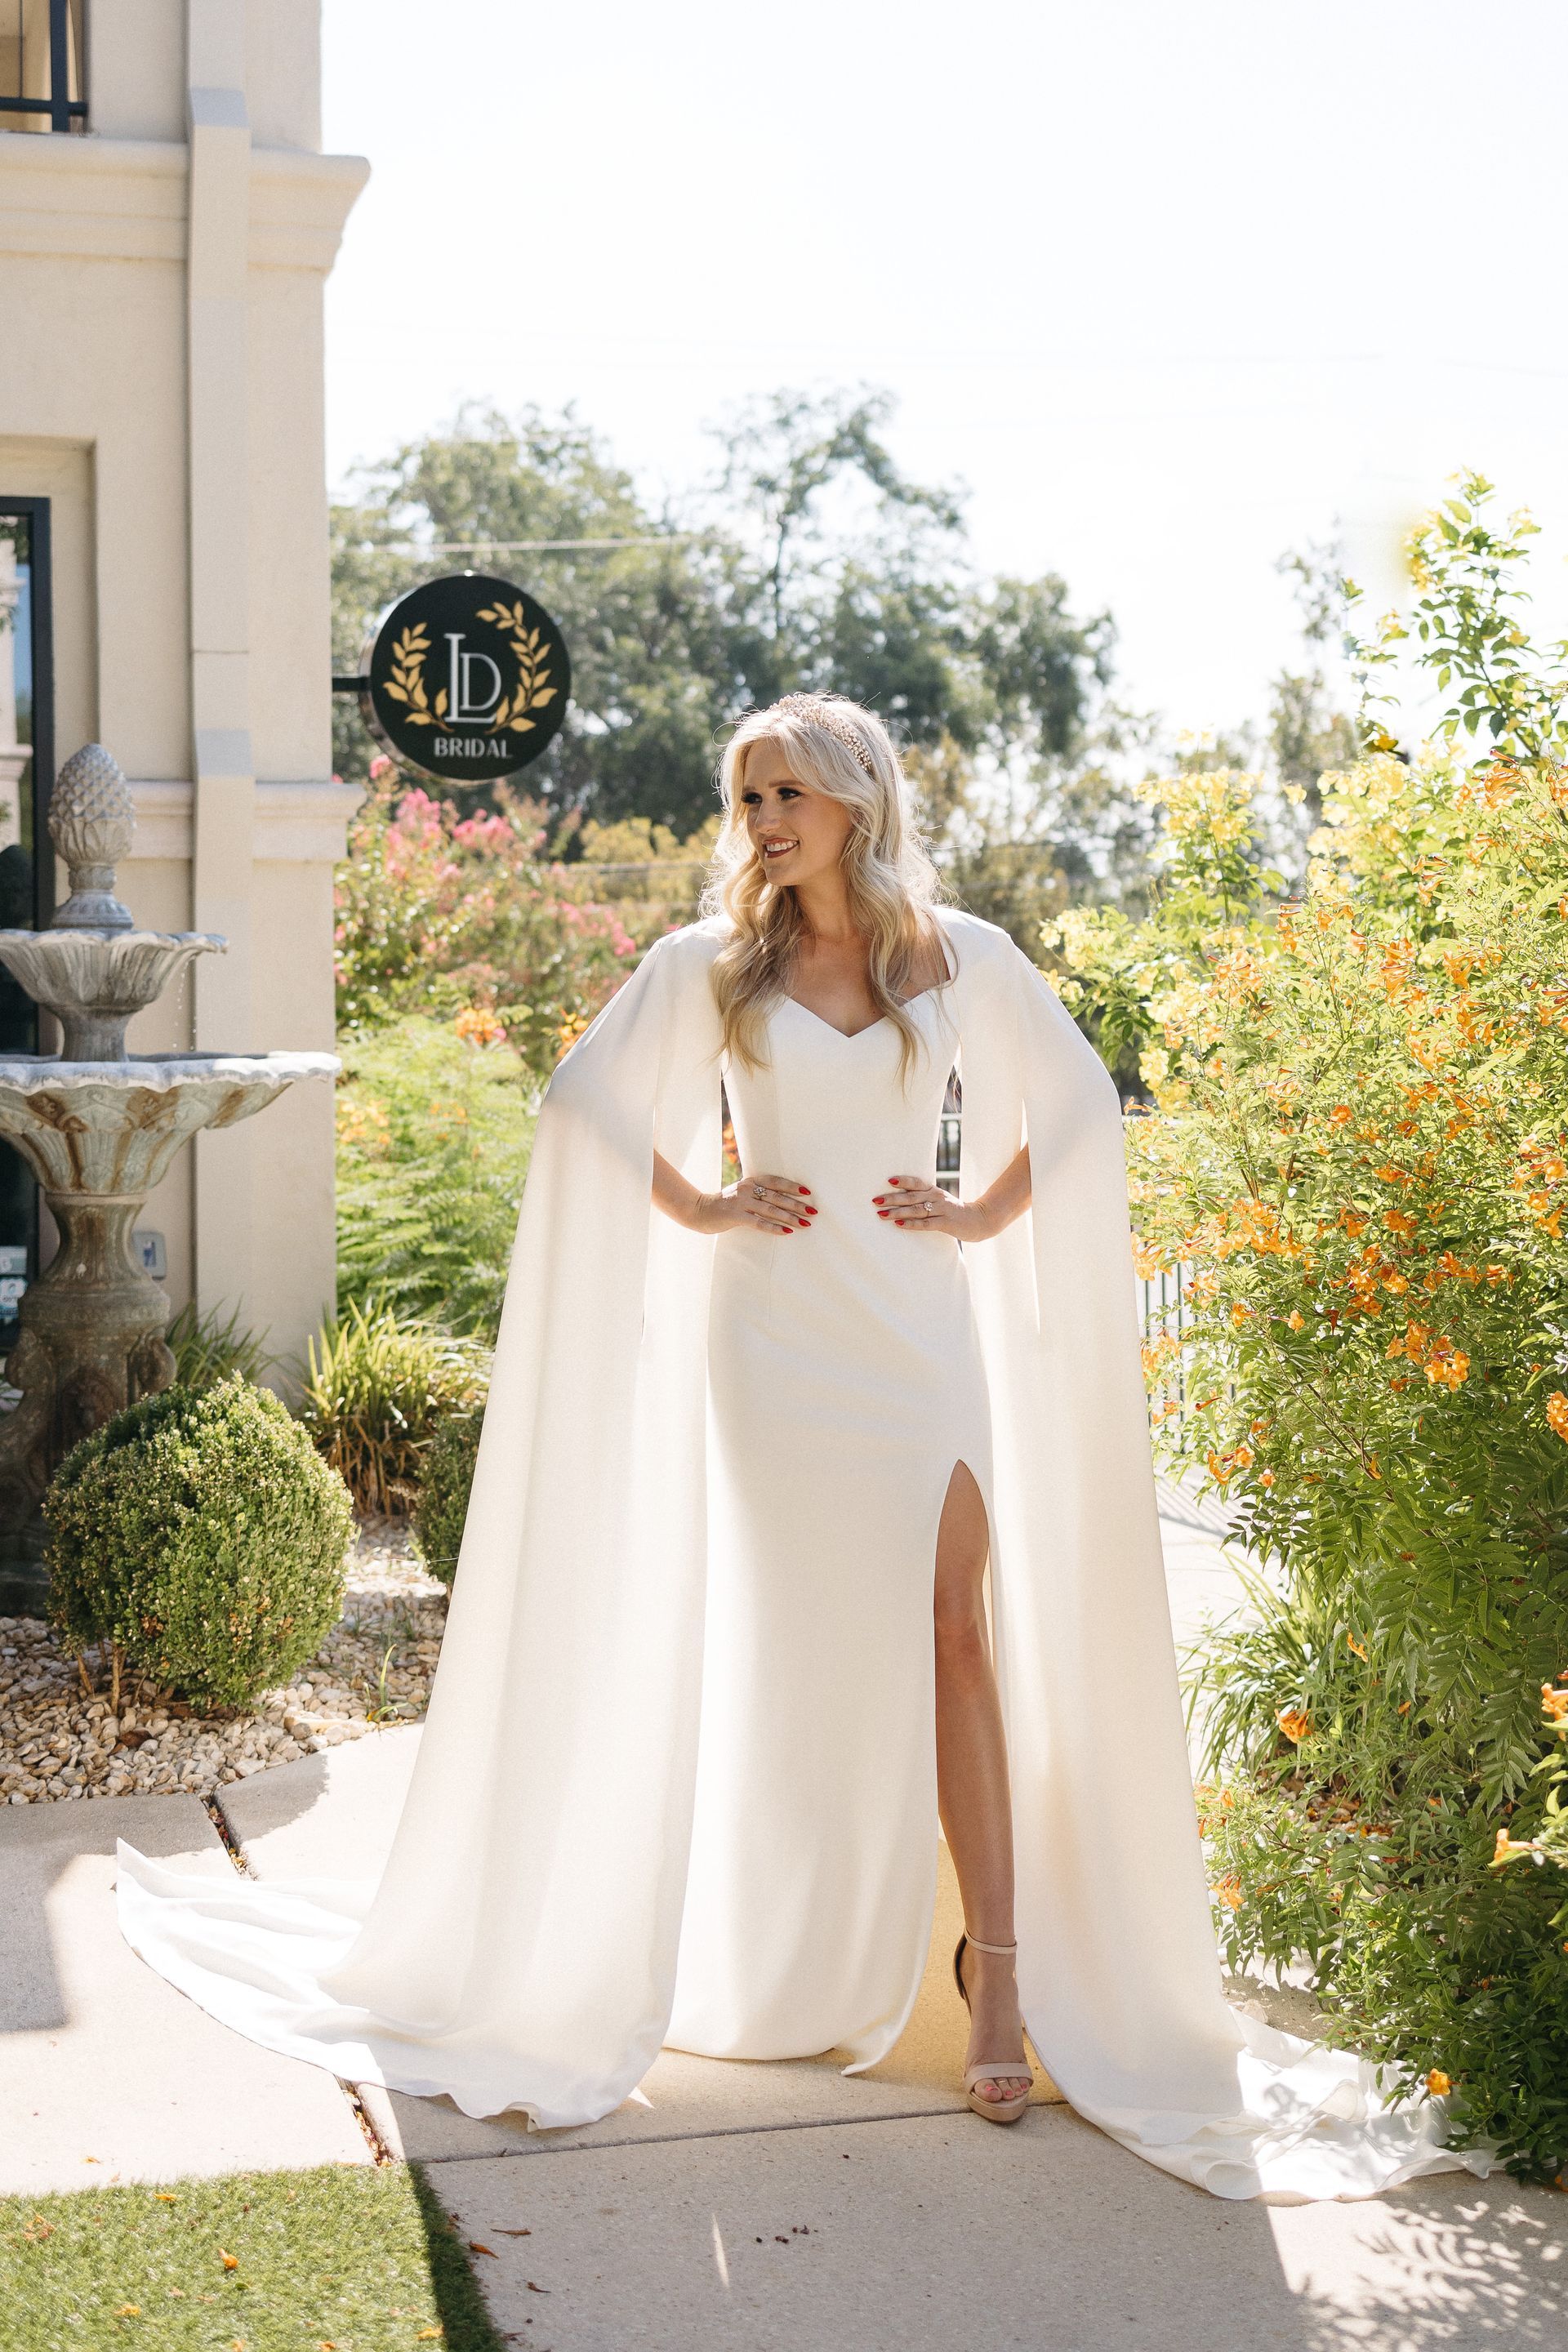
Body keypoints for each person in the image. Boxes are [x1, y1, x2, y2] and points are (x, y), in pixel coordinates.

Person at [118, 694, 1493, 2198]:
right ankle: (778, 1955)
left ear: (854, 797)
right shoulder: (711, 967)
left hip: (918, 1338)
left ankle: (1007, 1978)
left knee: (957, 1634)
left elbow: (1084, 1108)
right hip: (770, 1349)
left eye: (789, 793)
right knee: (791, 1649)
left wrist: (979, 1217)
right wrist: (708, 1206)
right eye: (750, 795)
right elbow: (582, 1109)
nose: (766, 820)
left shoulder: (957, 954)